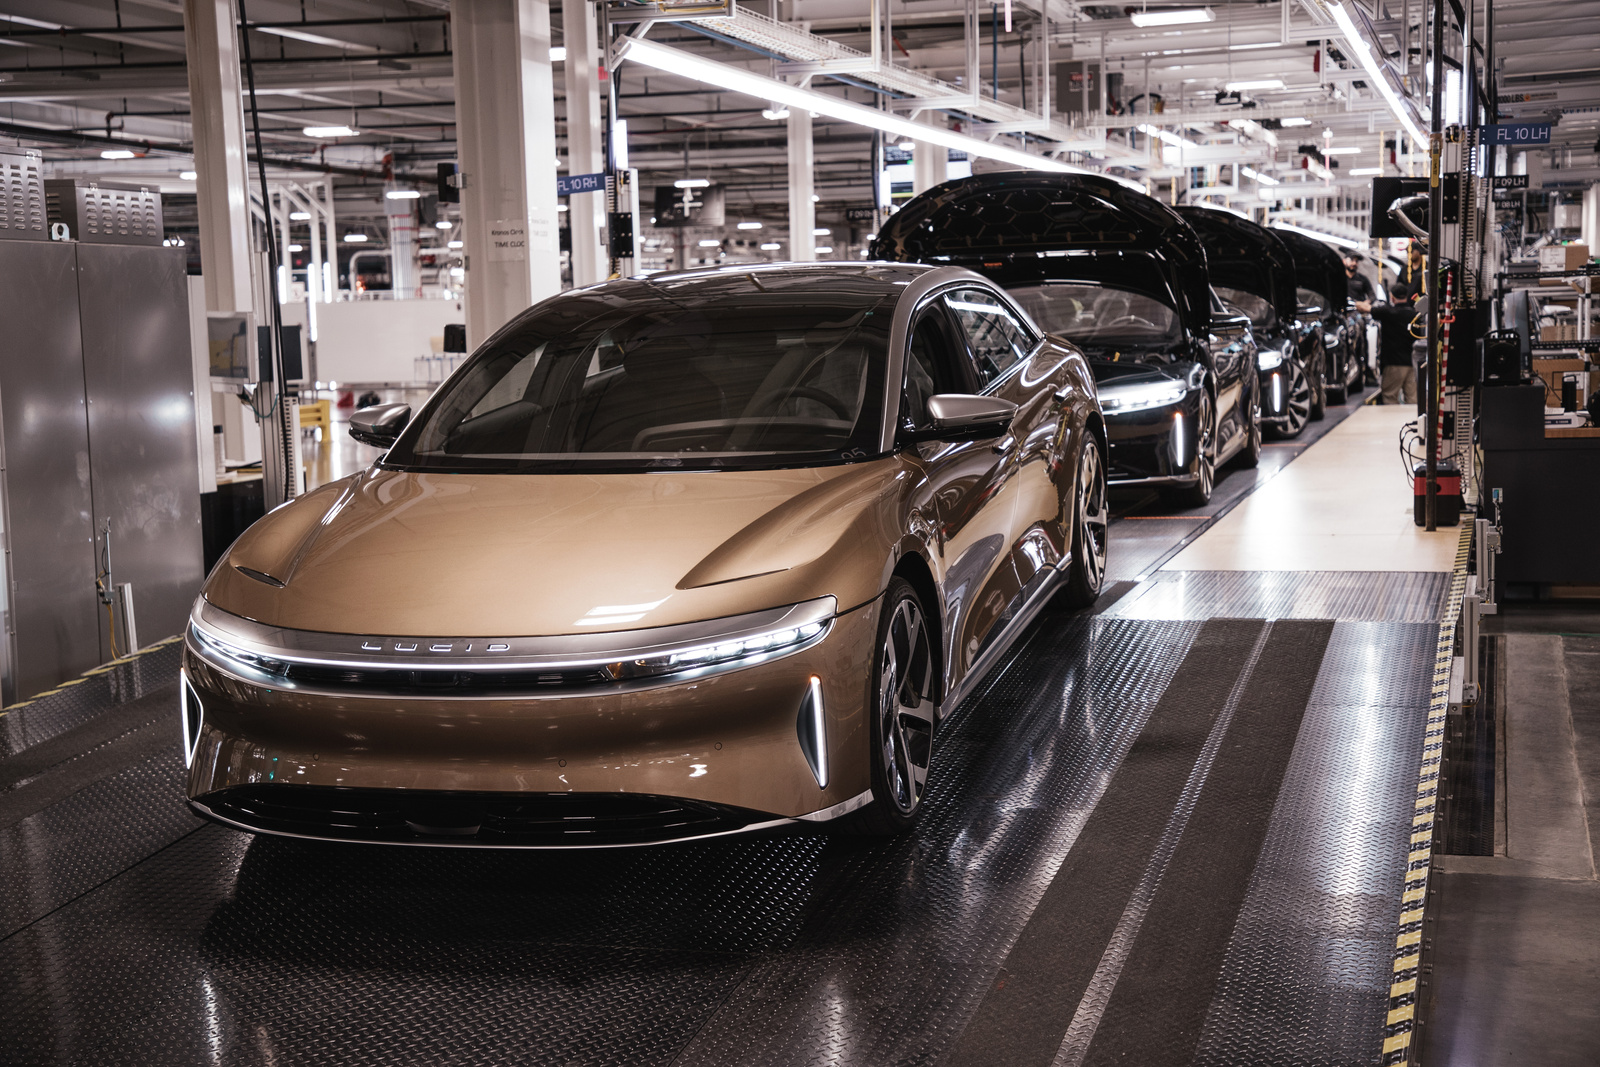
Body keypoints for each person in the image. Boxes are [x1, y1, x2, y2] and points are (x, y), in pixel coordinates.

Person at [1371, 280, 1420, 404]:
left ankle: (1392, 423)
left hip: (1393, 363)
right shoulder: (1414, 314)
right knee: (1413, 399)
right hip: (1412, 363)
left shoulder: (1387, 313)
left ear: (1392, 298)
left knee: (1389, 396)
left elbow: (1369, 310)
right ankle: (1413, 422)